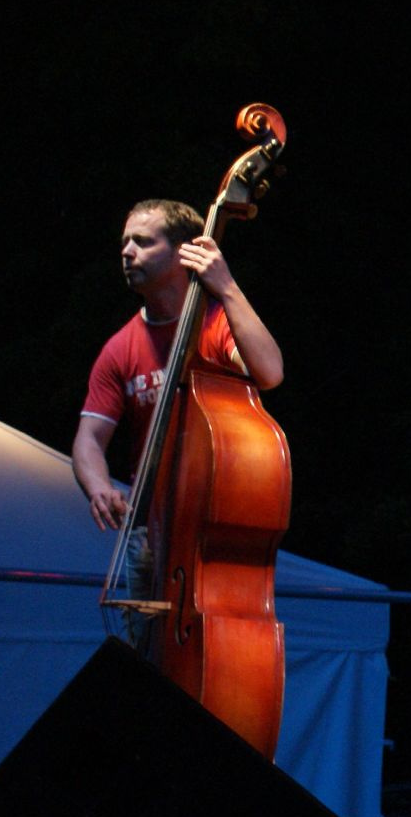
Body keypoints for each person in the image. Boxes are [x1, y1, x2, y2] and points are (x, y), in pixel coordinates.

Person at [72, 199, 285, 644]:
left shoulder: (217, 325)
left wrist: (226, 287)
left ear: (184, 251)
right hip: (149, 531)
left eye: (143, 242)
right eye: (125, 242)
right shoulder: (121, 347)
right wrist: (98, 487)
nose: (127, 251)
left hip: (208, 531)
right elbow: (90, 439)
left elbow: (269, 372)